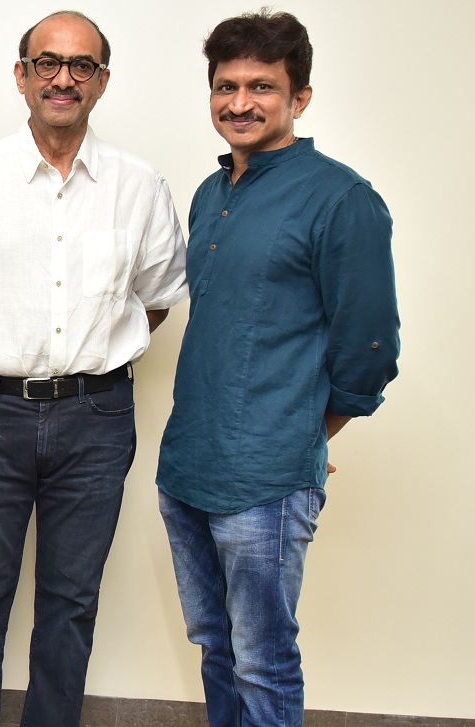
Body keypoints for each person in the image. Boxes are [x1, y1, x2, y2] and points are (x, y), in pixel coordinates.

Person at [0, 11, 188, 726]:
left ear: (102, 81)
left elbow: (157, 299)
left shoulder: (139, 184)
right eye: (47, 63)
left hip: (96, 419)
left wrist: (96, 350)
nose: (63, 78)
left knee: (71, 601)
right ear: (22, 75)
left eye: (81, 65)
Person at [156, 11, 399, 727]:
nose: (240, 102)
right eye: (225, 86)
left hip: (265, 482)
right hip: (186, 467)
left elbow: (369, 349)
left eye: (262, 86)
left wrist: (303, 437)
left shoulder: (342, 199)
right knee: (215, 645)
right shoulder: (210, 194)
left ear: (301, 97)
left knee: (262, 660)